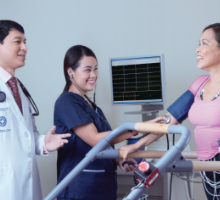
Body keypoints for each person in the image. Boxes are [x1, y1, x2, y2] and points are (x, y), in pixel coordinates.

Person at [120, 23, 220, 200]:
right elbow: (169, 121)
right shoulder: (199, 84)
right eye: (199, 43)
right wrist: (137, 145)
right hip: (208, 169)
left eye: (204, 43)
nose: (198, 49)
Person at [0, 20, 71, 200]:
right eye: (18, 41)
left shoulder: (18, 89)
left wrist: (43, 144)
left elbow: (24, 138)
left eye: (25, 42)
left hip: (27, 190)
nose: (24, 47)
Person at [53, 45, 164, 200]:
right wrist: (136, 129)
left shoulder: (92, 107)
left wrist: (117, 159)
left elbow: (103, 145)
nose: (94, 75)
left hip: (102, 187)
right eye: (87, 69)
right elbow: (95, 139)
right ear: (70, 71)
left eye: (95, 69)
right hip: (80, 188)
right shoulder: (67, 102)